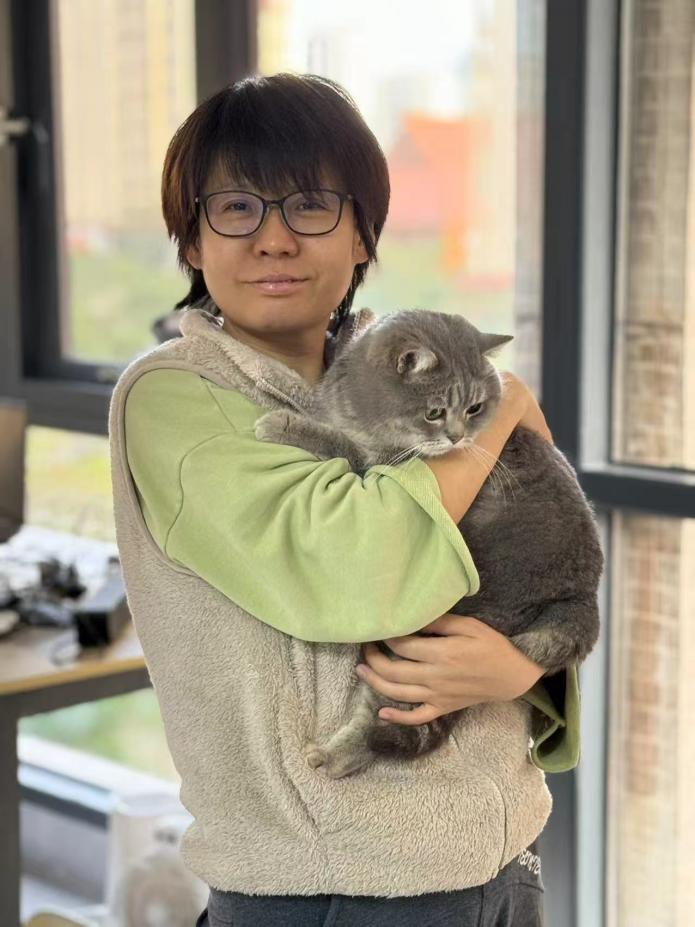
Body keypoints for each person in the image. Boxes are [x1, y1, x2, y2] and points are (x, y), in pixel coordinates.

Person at [108, 72, 581, 927]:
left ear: (361, 233)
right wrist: (506, 401)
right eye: (236, 208)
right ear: (191, 241)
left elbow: (538, 548)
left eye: (310, 205)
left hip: (502, 864)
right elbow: (353, 569)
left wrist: (525, 666)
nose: (274, 239)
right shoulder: (175, 399)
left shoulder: (399, 368)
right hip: (333, 892)